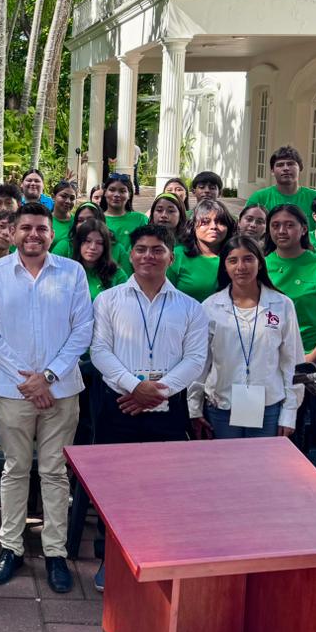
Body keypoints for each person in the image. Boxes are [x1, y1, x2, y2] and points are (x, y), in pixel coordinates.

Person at [89, 224, 208, 591]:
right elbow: (99, 351)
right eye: (141, 249)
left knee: (162, 487)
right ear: (130, 255)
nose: (148, 256)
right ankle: (112, 560)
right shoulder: (108, 300)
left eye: (157, 250)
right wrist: (134, 386)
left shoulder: (190, 308)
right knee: (115, 488)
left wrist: (159, 391)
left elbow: (196, 359)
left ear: (171, 257)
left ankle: (157, 556)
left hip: (167, 407)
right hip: (118, 404)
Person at [0, 204, 92, 593]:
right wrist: (27, 380)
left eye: (40, 228)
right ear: (12, 232)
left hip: (61, 390)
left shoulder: (72, 272)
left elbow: (82, 330)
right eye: (25, 227)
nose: (33, 234)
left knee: (54, 473)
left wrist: (47, 377)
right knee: (14, 469)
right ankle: (10, 547)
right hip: (12, 391)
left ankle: (55, 552)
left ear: (51, 233)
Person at [189, 236, 303, 441]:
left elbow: (292, 362)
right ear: (224, 266)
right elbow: (200, 363)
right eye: (233, 260)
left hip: (268, 406)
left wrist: (289, 414)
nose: (241, 266)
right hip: (221, 405)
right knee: (227, 468)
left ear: (260, 263)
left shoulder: (282, 305)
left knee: (263, 469)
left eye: (248, 259)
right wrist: (194, 408)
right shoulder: (209, 307)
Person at [264, 204, 316, 361]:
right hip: (265, 353)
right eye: (275, 225)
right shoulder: (260, 265)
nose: (281, 231)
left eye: (289, 225)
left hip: (305, 353)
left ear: (304, 229)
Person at [169, 198, 235, 302]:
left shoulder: (236, 256)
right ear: (193, 226)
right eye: (205, 222)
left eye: (220, 222)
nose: (213, 227)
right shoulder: (177, 256)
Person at [246, 146, 316, 230]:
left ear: (300, 168)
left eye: (290, 164)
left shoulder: (314, 197)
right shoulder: (259, 198)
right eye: (280, 165)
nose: (286, 168)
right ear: (272, 171)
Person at [101, 175, 143, 276]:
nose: (116, 194)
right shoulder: (97, 219)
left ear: (129, 195)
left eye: (122, 191)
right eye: (112, 190)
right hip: (104, 275)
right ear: (105, 192)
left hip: (134, 276)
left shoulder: (140, 219)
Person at [71, 218, 120, 300]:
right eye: (87, 241)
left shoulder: (116, 273)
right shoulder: (68, 271)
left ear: (105, 246)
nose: (93, 247)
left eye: (99, 243)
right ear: (79, 243)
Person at [50, 182, 76, 248]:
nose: (68, 201)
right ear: (53, 197)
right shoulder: (44, 220)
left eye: (72, 198)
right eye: (63, 196)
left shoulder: (77, 222)